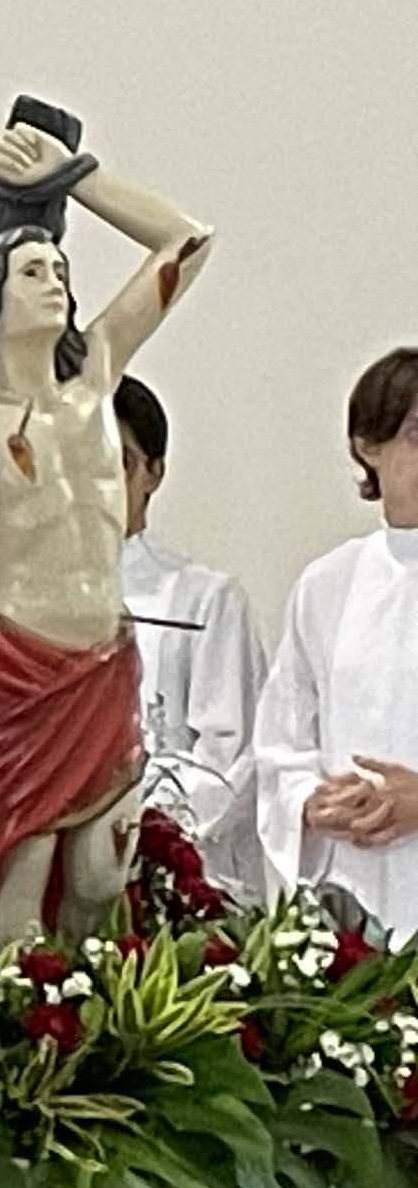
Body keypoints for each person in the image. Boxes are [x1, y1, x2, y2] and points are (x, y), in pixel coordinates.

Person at [0, 116, 212, 935]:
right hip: (12, 677)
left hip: (102, 667)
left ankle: (99, 1015)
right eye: (32, 270)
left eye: (60, 269)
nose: (55, 280)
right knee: (17, 896)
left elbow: (187, 243)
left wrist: (71, 177)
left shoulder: (96, 382)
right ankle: (27, 1023)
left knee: (100, 882)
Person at [256, 347, 418, 932]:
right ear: (367, 446)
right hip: (351, 891)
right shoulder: (330, 584)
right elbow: (282, 741)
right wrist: (311, 800)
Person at [111, 375, 267, 894]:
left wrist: (141, 834)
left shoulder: (203, 598)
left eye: (118, 461)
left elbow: (232, 756)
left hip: (175, 874)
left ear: (152, 473)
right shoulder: (24, 604)